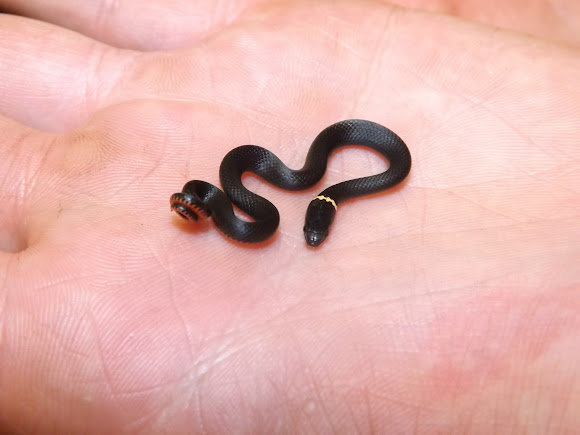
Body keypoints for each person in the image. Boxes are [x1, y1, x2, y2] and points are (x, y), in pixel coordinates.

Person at [0, 1, 578, 433]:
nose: (310, 235)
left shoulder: (359, 180)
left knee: (293, 179)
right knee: (288, 177)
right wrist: (218, 203)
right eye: (311, 230)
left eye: (314, 229)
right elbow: (271, 194)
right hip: (233, 191)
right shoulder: (278, 187)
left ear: (328, 210)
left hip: (248, 195)